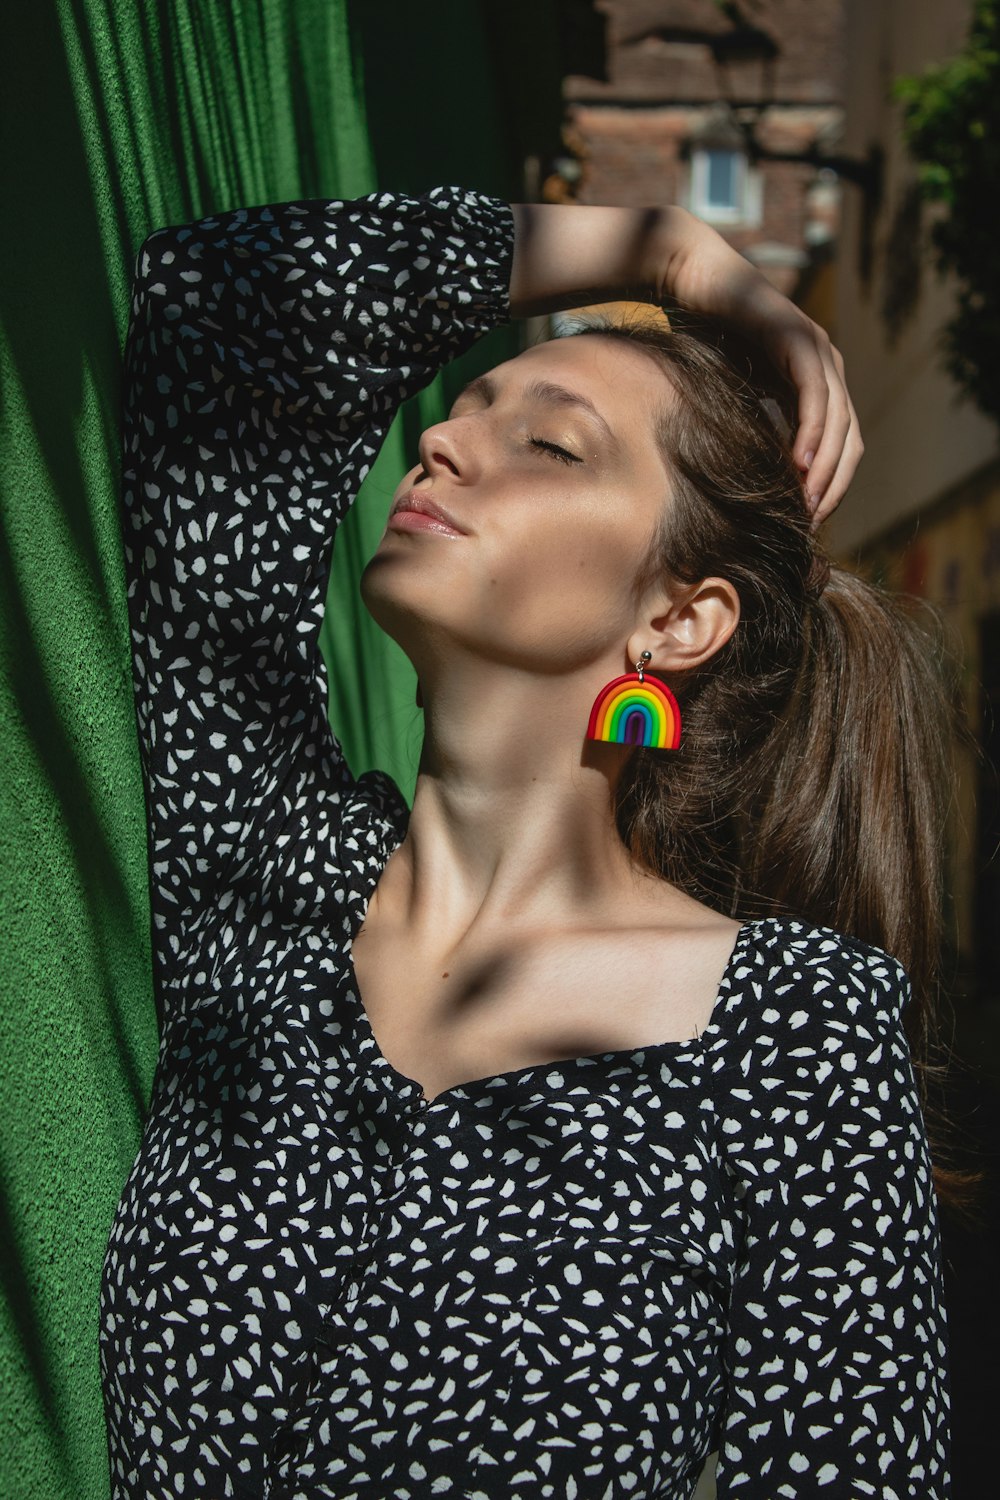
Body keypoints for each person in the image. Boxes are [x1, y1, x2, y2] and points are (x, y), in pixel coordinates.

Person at [100, 186, 950, 1500]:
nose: (439, 440)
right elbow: (222, 301)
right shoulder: (273, 873)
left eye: (550, 446)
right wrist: (664, 247)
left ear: (680, 620)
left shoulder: (800, 1027)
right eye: (463, 407)